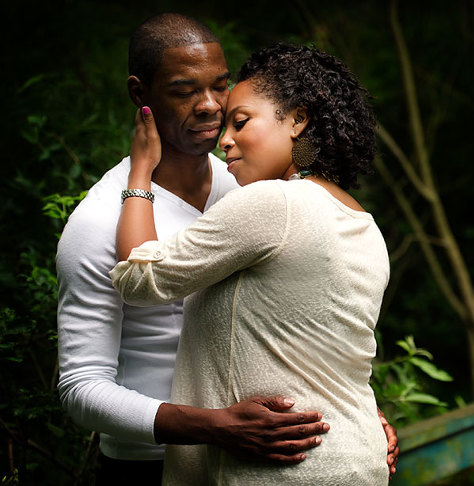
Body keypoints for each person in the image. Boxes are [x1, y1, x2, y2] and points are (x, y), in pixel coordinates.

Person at [56, 13, 397, 485]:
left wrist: (349, 409)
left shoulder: (251, 189)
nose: (211, 107)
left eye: (221, 87)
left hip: (269, 458)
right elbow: (81, 389)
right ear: (141, 95)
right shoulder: (99, 222)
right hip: (149, 465)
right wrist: (214, 427)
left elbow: (308, 322)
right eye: (184, 90)